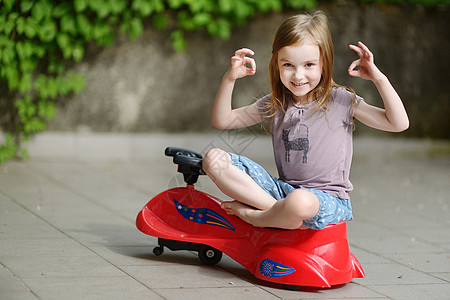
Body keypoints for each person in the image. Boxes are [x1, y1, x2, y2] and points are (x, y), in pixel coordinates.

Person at [202, 11, 409, 230]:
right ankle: (280, 214)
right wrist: (230, 79)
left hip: (326, 200)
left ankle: (259, 217)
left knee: (299, 201)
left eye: (309, 65)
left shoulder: (340, 101)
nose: (298, 76)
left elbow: (398, 123)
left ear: (324, 64)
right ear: (276, 65)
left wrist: (379, 79)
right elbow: (222, 120)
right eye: (288, 65)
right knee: (213, 159)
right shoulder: (276, 103)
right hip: (283, 192)